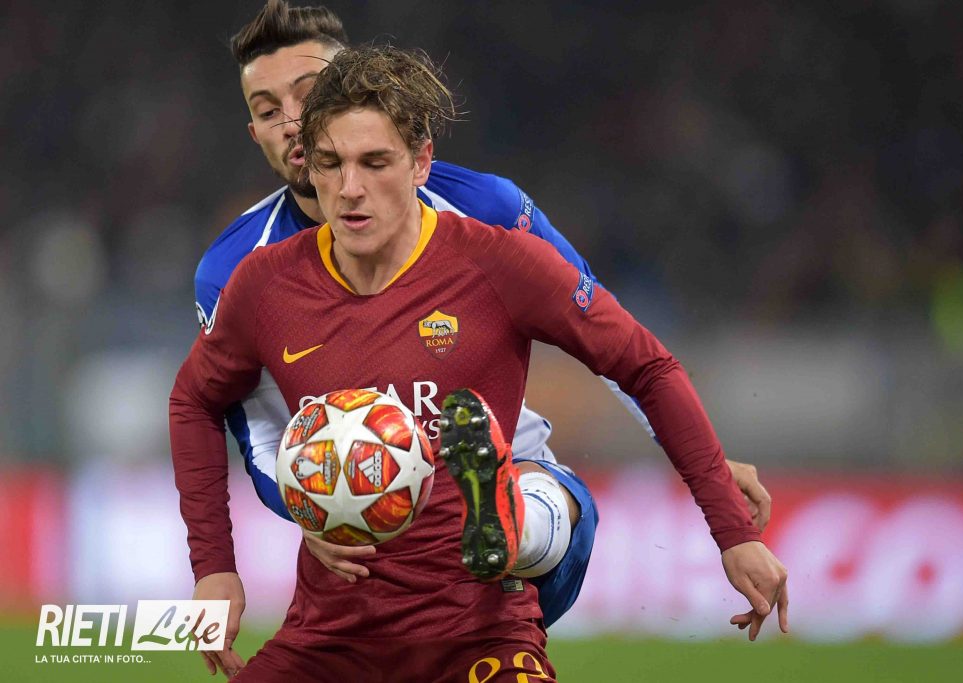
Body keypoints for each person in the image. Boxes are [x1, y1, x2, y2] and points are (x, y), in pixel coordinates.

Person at [170, 42, 788, 682]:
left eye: (375, 162)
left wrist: (733, 531)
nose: (350, 190)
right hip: (328, 639)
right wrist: (214, 567)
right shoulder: (263, 283)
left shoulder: (498, 258)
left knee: (538, 489)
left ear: (421, 162)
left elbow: (645, 365)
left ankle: (513, 523)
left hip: (479, 634)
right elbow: (194, 399)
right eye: (331, 164)